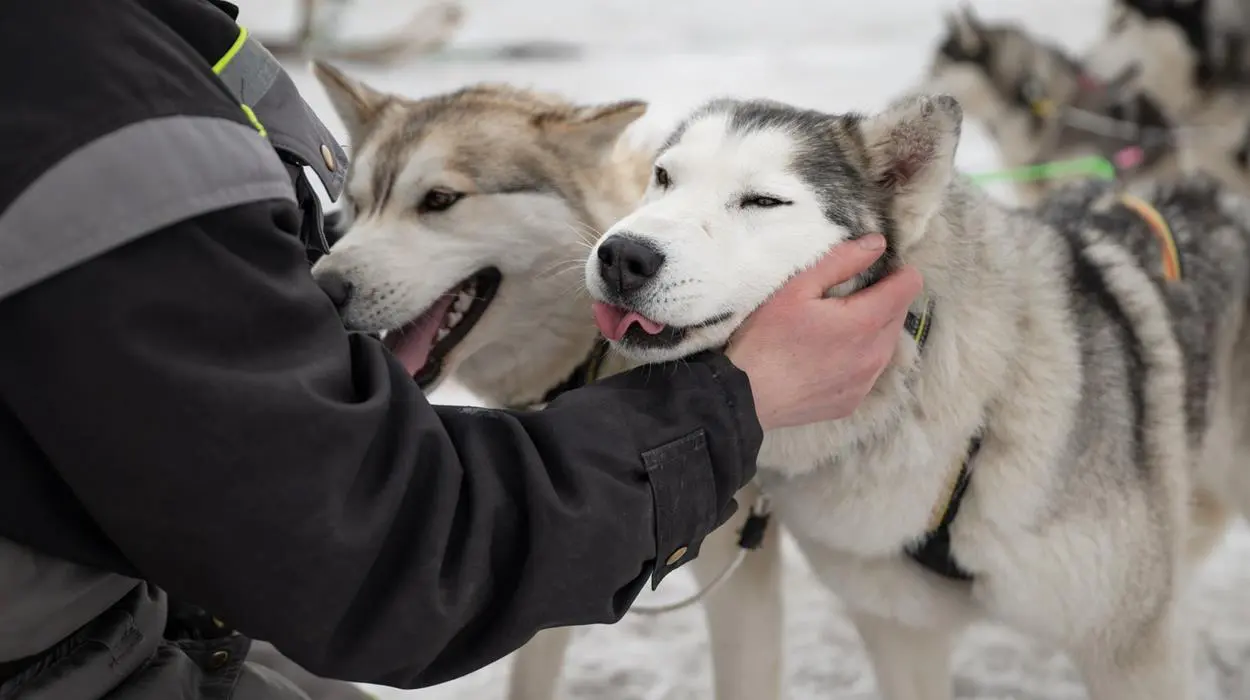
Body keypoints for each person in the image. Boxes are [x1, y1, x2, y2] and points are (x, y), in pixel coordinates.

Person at [0, 0, 924, 698]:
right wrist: (738, 399)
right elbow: (382, 544)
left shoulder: (136, 42)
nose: (340, 261)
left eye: (437, 204)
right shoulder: (83, 84)